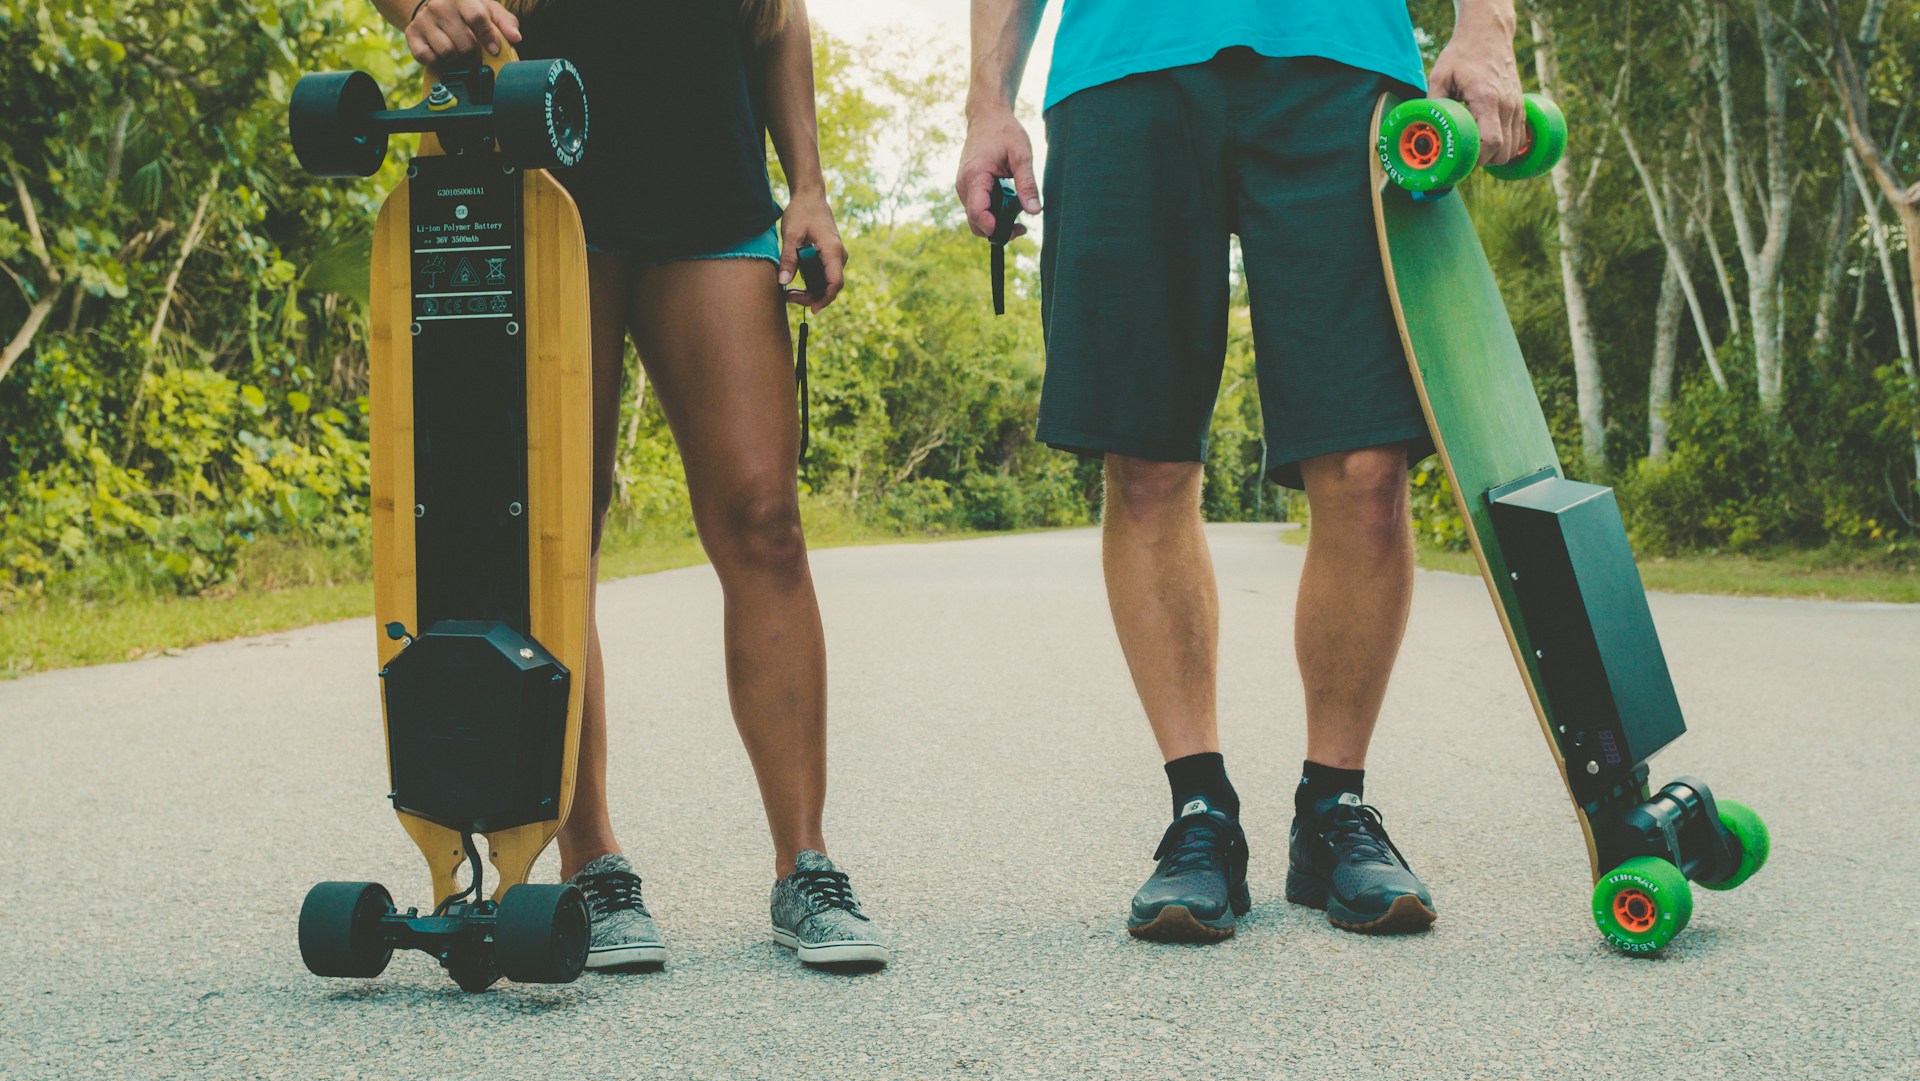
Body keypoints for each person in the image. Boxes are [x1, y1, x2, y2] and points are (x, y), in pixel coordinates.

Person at [957, 0, 1530, 942]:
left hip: (1340, 59)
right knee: (1143, 463)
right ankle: (1200, 815)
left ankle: (1334, 810)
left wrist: (1487, 25)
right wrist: (989, 103)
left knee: (1368, 463)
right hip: (1123, 63)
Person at [376, 0, 889, 970]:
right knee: (555, 532)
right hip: (531, 164)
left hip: (713, 176)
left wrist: (808, 186)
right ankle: (592, 859)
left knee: (765, 519)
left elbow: (776, 18)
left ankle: (806, 864)